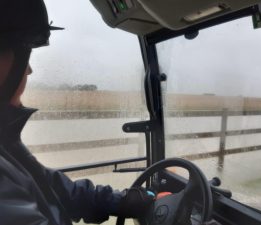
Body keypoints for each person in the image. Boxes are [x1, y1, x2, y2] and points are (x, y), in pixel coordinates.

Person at [0, 0, 153, 224]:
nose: (29, 69)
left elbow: (51, 187)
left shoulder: (5, 140)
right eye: (25, 53)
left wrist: (122, 201)